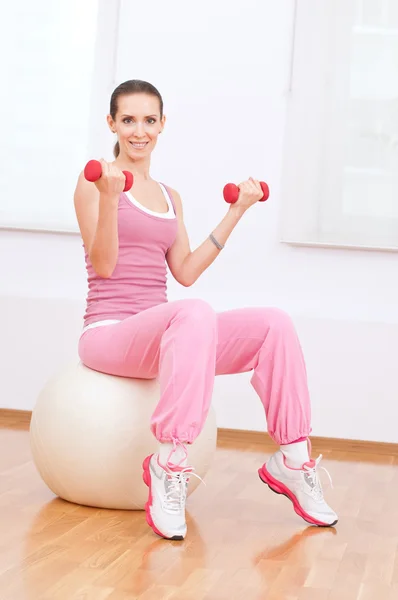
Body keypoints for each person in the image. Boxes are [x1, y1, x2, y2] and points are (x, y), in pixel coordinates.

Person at [74, 79, 338, 541]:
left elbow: (186, 270)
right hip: (109, 331)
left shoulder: (170, 196)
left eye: (149, 120)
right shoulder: (95, 180)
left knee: (272, 323)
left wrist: (239, 211)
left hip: (167, 332)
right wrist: (111, 199)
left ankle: (293, 459)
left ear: (162, 125)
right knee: (192, 312)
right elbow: (105, 264)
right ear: (111, 123)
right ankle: (169, 461)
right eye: (129, 120)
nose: (140, 131)